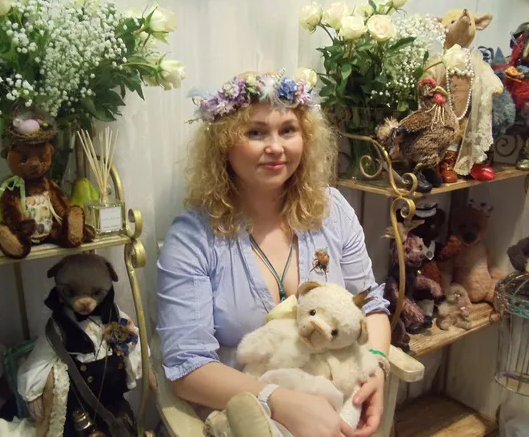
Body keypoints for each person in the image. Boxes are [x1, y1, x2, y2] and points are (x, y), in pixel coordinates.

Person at [156, 70, 391, 437]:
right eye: (256, 132)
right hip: (246, 415)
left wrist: (374, 366)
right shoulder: (192, 238)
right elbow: (188, 369)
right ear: (224, 143)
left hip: (339, 408)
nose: (276, 147)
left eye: (288, 130)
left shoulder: (333, 210)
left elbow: (372, 305)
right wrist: (276, 399)